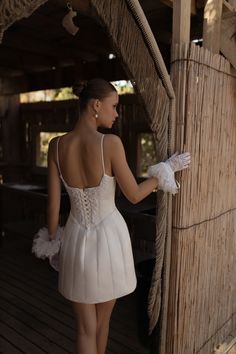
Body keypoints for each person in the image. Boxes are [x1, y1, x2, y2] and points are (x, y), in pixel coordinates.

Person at [46, 78, 190, 354]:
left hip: (76, 238)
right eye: (114, 106)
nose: (116, 113)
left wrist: (52, 242)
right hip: (109, 240)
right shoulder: (110, 143)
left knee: (85, 328)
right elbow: (134, 194)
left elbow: (53, 208)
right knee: (103, 321)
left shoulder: (56, 146)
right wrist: (165, 170)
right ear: (96, 106)